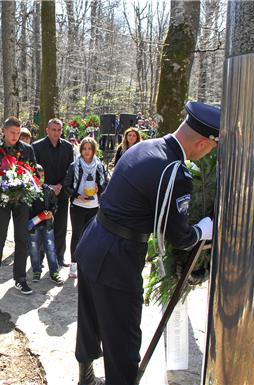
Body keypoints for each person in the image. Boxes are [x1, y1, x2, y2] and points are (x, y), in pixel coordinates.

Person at [74, 101, 219, 385]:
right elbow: (181, 238)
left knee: (89, 321)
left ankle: (86, 378)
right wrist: (205, 228)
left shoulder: (145, 146)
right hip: (117, 258)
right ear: (203, 144)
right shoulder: (175, 172)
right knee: (123, 340)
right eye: (212, 148)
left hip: (92, 241)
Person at [0, 116, 37, 295]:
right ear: (4, 131)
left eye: (17, 132)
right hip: (1, 199)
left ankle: (20, 278)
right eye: (12, 133)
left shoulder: (27, 149)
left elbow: (33, 172)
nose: (15, 136)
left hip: (22, 200)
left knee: (21, 239)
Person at [63, 137, 108, 278]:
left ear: (94, 150)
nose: (87, 151)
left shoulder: (99, 166)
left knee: (91, 236)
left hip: (94, 206)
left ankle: (87, 264)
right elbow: (66, 186)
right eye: (84, 148)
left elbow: (105, 185)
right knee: (77, 235)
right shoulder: (74, 165)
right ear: (81, 149)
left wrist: (98, 188)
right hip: (78, 205)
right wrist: (76, 195)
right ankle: (74, 265)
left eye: (90, 149)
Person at [33, 118, 74, 267]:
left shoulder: (68, 147)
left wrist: (60, 186)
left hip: (62, 193)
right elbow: (33, 171)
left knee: (61, 227)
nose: (56, 133)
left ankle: (59, 257)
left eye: (59, 130)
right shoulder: (36, 147)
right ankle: (40, 258)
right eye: (53, 129)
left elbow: (71, 170)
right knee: (43, 226)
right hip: (43, 194)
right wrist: (48, 186)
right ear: (47, 130)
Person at [28, 164, 64, 285]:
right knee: (34, 249)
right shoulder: (28, 192)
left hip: (47, 225)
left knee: (50, 249)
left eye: (42, 176)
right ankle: (36, 270)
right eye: (38, 176)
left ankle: (54, 272)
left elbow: (55, 204)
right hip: (33, 227)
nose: (40, 178)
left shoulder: (49, 190)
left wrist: (51, 212)